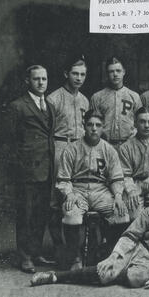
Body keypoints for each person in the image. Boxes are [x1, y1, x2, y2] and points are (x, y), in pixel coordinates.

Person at [30, 176, 149, 288]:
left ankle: (117, 272)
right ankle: (56, 276)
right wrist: (114, 257)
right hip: (138, 249)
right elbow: (130, 236)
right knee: (106, 273)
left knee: (136, 279)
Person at [56, 109, 129, 270]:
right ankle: (75, 257)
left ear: (103, 127)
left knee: (121, 214)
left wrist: (117, 195)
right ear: (84, 125)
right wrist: (69, 193)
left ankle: (110, 255)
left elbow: (116, 177)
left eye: (98, 125)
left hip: (101, 190)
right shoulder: (72, 148)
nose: (94, 128)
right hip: (78, 190)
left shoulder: (109, 149)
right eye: (90, 124)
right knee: (71, 214)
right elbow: (63, 177)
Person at [7, 65, 56, 273]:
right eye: (37, 79)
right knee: (25, 214)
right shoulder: (17, 106)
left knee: (40, 213)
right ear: (28, 81)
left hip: (47, 168)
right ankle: (24, 256)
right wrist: (20, 166)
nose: (41, 83)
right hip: (27, 171)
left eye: (44, 79)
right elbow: (9, 141)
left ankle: (36, 252)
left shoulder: (49, 106)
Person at [47, 54, 89, 253]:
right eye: (75, 73)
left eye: (82, 74)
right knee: (57, 199)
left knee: (77, 195)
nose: (79, 78)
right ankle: (58, 247)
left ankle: (76, 249)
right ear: (66, 74)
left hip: (79, 150)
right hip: (60, 146)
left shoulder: (85, 100)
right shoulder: (53, 98)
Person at [90, 56, 142, 150]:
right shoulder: (97, 97)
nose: (115, 74)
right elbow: (92, 124)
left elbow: (140, 122)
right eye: (111, 71)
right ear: (107, 73)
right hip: (104, 145)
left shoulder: (134, 96)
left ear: (124, 72)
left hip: (129, 145)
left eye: (118, 71)